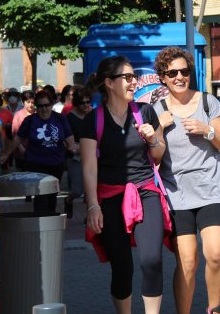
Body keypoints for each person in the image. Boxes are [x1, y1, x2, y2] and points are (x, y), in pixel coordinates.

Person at [152, 46, 220, 314]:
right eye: (172, 72)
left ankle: (216, 308)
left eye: (184, 71)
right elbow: (154, 157)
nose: (179, 77)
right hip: (177, 194)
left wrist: (208, 130)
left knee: (216, 252)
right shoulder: (156, 110)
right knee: (187, 261)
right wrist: (159, 130)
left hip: (212, 188)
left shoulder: (209, 102)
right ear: (163, 77)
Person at [81, 56, 167, 314]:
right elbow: (88, 167)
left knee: (152, 261)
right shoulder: (92, 120)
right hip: (110, 197)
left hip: (145, 192)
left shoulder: (146, 112)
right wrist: (93, 207)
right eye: (127, 78)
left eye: (134, 77)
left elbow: (159, 155)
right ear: (109, 82)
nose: (134, 83)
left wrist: (153, 140)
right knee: (122, 266)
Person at [1, 90, 77, 213]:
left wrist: (71, 146)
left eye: (46, 105)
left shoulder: (60, 118)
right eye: (40, 106)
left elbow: (68, 135)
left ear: (52, 105)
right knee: (41, 195)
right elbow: (18, 138)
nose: (43, 109)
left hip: (56, 163)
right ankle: (41, 220)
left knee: (52, 195)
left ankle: (50, 220)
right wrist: (7, 154)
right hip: (36, 163)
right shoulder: (30, 120)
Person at [63, 86, 92, 219]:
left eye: (88, 102)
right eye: (83, 103)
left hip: (91, 155)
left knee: (90, 188)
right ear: (76, 103)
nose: (86, 105)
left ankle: (89, 215)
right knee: (77, 190)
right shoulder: (70, 117)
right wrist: (73, 147)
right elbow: (66, 139)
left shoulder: (92, 115)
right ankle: (68, 200)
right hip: (76, 157)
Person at [11, 90, 36, 172]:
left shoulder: (37, 113)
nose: (30, 104)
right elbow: (15, 132)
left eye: (32, 102)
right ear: (23, 102)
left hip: (36, 151)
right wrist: (20, 146)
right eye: (28, 102)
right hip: (21, 152)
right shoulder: (18, 115)